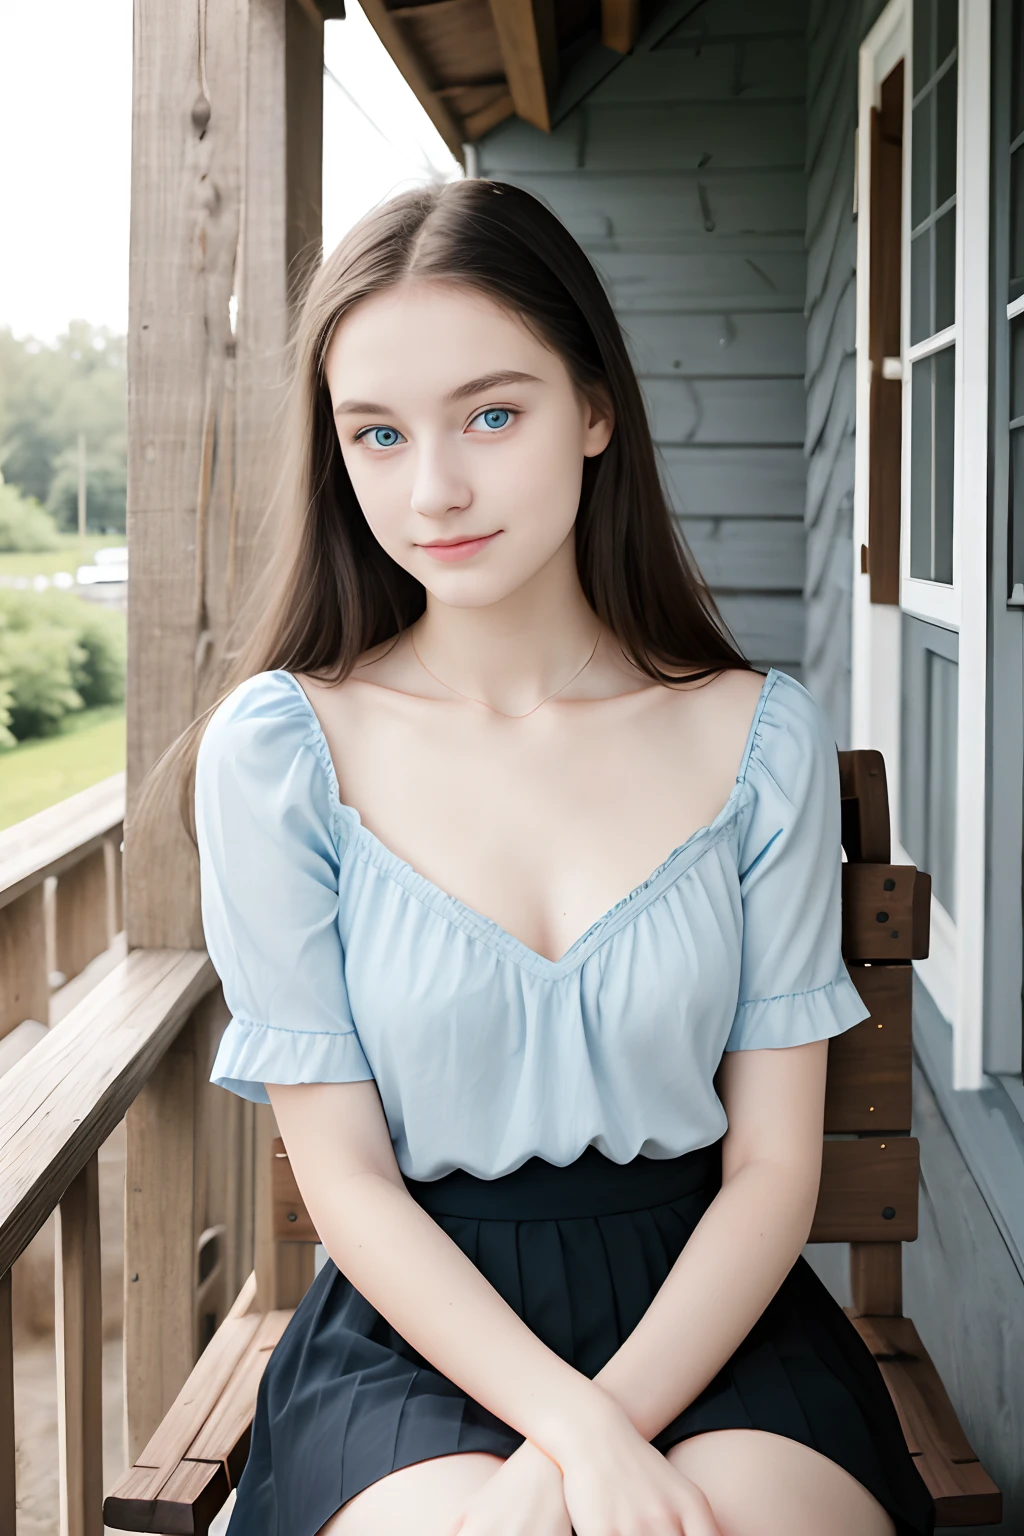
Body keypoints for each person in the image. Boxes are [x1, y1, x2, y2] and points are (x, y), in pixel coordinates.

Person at [175, 179, 935, 1536]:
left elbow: (772, 1169)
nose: (436, 488)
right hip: (415, 1321)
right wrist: (569, 1439)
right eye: (378, 433)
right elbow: (342, 1176)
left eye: (491, 413)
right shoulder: (285, 749)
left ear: (594, 411)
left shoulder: (754, 735)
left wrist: (602, 1432)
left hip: (709, 1301)